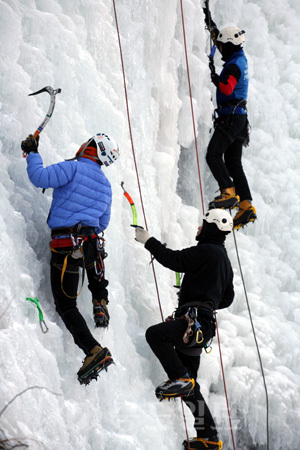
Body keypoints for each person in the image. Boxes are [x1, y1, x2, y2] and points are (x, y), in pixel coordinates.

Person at [21, 132, 119, 385]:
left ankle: (93, 350)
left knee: (66, 305)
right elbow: (103, 223)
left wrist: (32, 152)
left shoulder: (73, 168)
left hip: (67, 244)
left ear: (91, 148)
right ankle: (99, 300)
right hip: (89, 247)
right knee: (87, 278)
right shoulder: (106, 185)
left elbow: (39, 177)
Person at [134, 209, 234, 450]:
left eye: (202, 224)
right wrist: (207, 297)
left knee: (155, 335)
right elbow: (228, 298)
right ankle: (208, 437)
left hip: (194, 320)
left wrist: (148, 241)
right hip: (204, 325)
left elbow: (174, 260)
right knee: (191, 387)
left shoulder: (206, 250)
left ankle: (179, 378)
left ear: (211, 226)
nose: (198, 228)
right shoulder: (224, 261)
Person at [203, 1, 257, 230]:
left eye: (224, 47)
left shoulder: (234, 65)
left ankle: (228, 191)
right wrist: (209, 22)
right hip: (240, 120)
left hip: (231, 117)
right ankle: (246, 205)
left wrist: (214, 77)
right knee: (233, 162)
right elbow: (220, 40)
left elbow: (226, 88)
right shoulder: (239, 58)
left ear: (231, 46)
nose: (221, 49)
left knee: (213, 155)